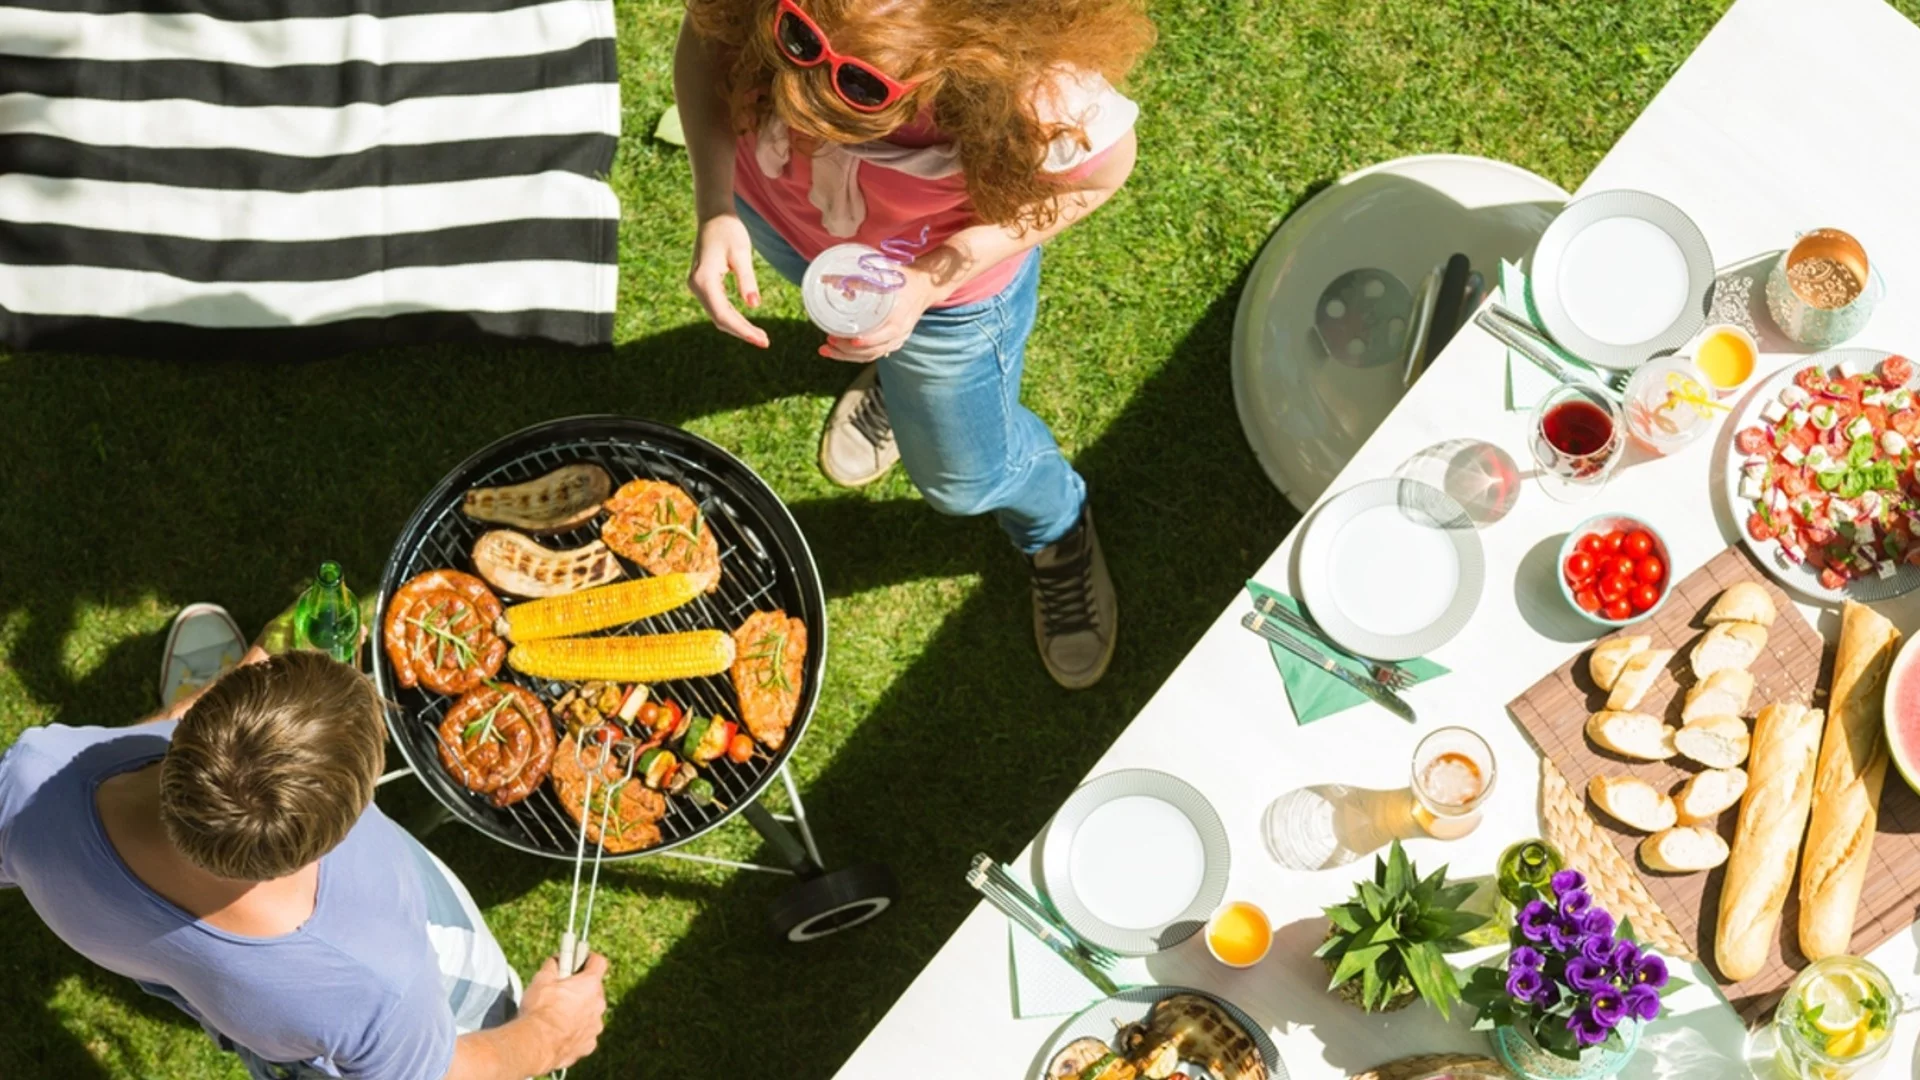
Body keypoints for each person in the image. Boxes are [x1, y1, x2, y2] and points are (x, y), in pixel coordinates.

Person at [676, 0, 1155, 689]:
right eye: (794, 38)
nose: (798, 106)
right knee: (861, 330)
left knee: (966, 481)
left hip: (945, 302)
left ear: (963, 60)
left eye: (861, 87)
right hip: (783, 215)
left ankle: (1056, 529)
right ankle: (895, 376)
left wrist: (931, 281)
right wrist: (717, 203)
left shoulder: (1042, 92)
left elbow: (1102, 174)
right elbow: (707, 38)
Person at [0, 606, 609, 1080]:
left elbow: (123, 757)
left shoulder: (36, 780)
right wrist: (550, 1030)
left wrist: (232, 692)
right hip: (348, 1030)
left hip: (225, 999)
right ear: (343, 830)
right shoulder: (373, 978)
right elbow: (433, 1071)